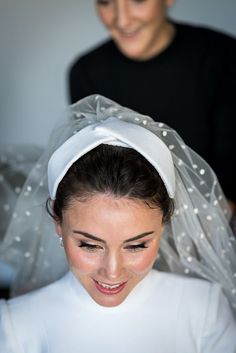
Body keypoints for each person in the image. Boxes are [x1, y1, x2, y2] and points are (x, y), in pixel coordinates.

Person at [0, 94, 236, 352]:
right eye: (89, 245)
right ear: (58, 219)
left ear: (164, 222)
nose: (112, 272)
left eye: (136, 245)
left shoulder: (205, 310)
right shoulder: (17, 324)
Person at [68, 0, 236, 214]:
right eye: (105, 2)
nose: (122, 20)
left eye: (138, 0)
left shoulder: (223, 56)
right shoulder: (87, 73)